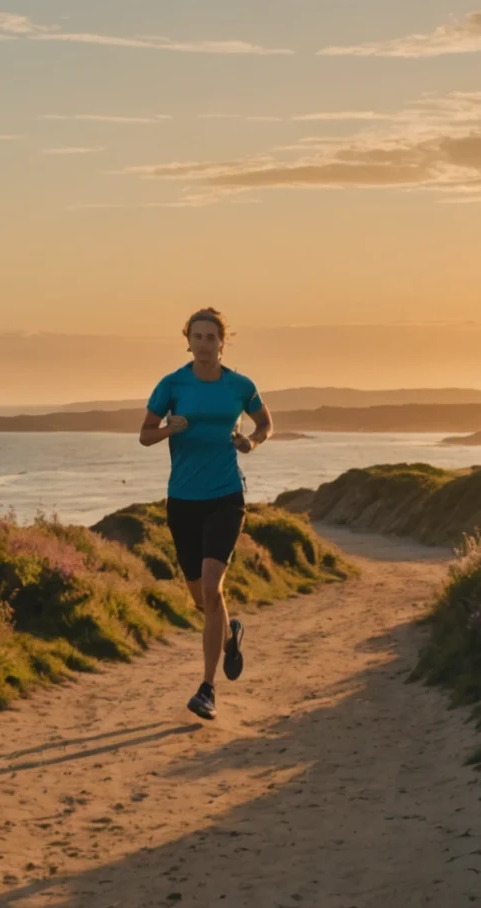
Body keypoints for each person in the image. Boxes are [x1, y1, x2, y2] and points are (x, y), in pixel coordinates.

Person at [139, 307, 273, 719]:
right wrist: (169, 430)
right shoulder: (172, 384)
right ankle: (230, 637)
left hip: (225, 497)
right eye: (196, 337)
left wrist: (251, 442)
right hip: (182, 501)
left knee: (213, 589)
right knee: (200, 598)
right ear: (188, 341)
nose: (203, 344)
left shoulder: (240, 385)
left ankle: (207, 689)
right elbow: (145, 436)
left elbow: (265, 424)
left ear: (221, 342)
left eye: (210, 337)